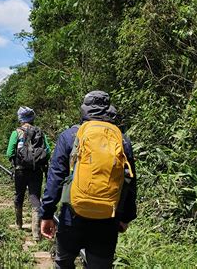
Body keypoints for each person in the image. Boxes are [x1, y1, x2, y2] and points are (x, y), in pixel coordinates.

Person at [39, 91, 137, 268]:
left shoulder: (70, 136)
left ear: (84, 109)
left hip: (72, 216)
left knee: (63, 263)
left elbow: (55, 178)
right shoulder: (122, 140)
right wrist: (126, 216)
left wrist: (46, 214)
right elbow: (129, 182)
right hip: (108, 218)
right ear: (109, 110)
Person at [6, 106, 51, 241]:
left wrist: (16, 161)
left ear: (21, 119)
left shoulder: (17, 133)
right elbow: (47, 151)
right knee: (35, 198)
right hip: (36, 171)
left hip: (20, 170)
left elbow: (9, 152)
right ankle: (36, 233)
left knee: (19, 195)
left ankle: (18, 224)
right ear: (32, 118)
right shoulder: (40, 132)